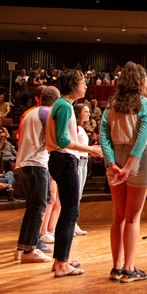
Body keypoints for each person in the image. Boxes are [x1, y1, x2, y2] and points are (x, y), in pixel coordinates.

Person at [99, 62, 147, 283]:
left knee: (119, 215)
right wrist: (128, 169)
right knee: (132, 217)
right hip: (136, 160)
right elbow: (141, 140)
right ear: (140, 82)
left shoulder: (110, 105)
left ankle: (116, 267)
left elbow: (103, 136)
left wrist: (112, 164)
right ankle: (129, 269)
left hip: (116, 158)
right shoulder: (145, 104)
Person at [46, 69, 102, 278]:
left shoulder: (63, 105)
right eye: (82, 81)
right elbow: (61, 140)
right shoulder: (63, 106)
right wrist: (91, 149)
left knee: (68, 211)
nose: (86, 84)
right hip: (64, 159)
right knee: (70, 212)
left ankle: (61, 260)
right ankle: (61, 263)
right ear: (72, 84)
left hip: (62, 159)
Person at [14, 86, 59, 263]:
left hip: (24, 163)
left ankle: (22, 247)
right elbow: (51, 141)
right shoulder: (47, 114)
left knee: (32, 207)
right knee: (39, 206)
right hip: (36, 163)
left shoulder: (31, 112)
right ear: (55, 99)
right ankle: (30, 251)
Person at [73, 103, 91, 237]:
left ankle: (74, 222)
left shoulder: (80, 128)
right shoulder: (75, 128)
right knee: (75, 194)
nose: (89, 114)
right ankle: (72, 223)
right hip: (78, 161)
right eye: (86, 111)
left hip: (84, 161)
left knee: (78, 195)